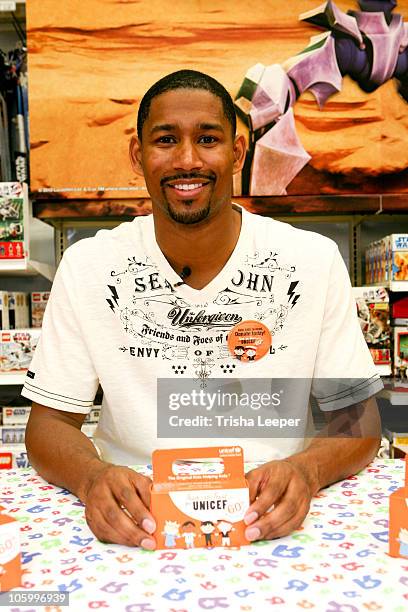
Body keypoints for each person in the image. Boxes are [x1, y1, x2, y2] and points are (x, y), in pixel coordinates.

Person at [23, 69, 382, 551]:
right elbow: (48, 425)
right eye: (166, 140)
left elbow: (358, 421)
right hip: (134, 526)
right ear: (138, 155)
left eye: (208, 139)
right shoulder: (89, 265)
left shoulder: (311, 261)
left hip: (272, 522)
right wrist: (92, 478)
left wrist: (305, 470)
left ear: (236, 153)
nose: (187, 160)